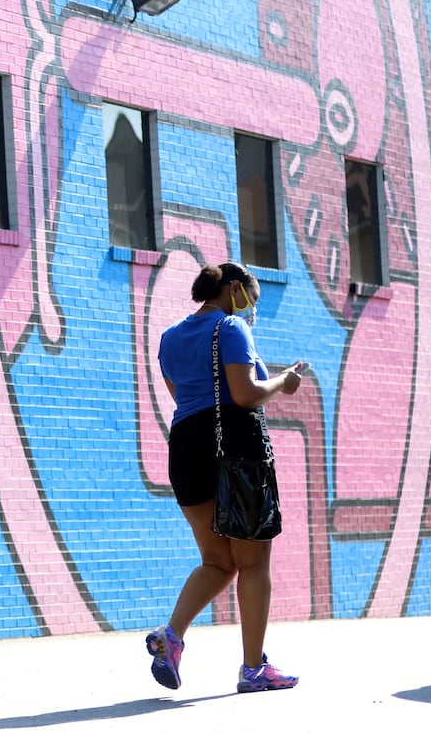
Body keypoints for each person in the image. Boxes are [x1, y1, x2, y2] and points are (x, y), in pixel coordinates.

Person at [146, 261, 305, 694]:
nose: (250, 309)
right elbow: (245, 394)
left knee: (218, 562)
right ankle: (254, 668)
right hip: (236, 450)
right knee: (253, 563)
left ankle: (172, 637)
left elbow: (184, 398)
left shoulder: (169, 337)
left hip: (185, 450)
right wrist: (283, 382)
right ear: (233, 290)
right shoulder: (231, 328)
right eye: (250, 299)